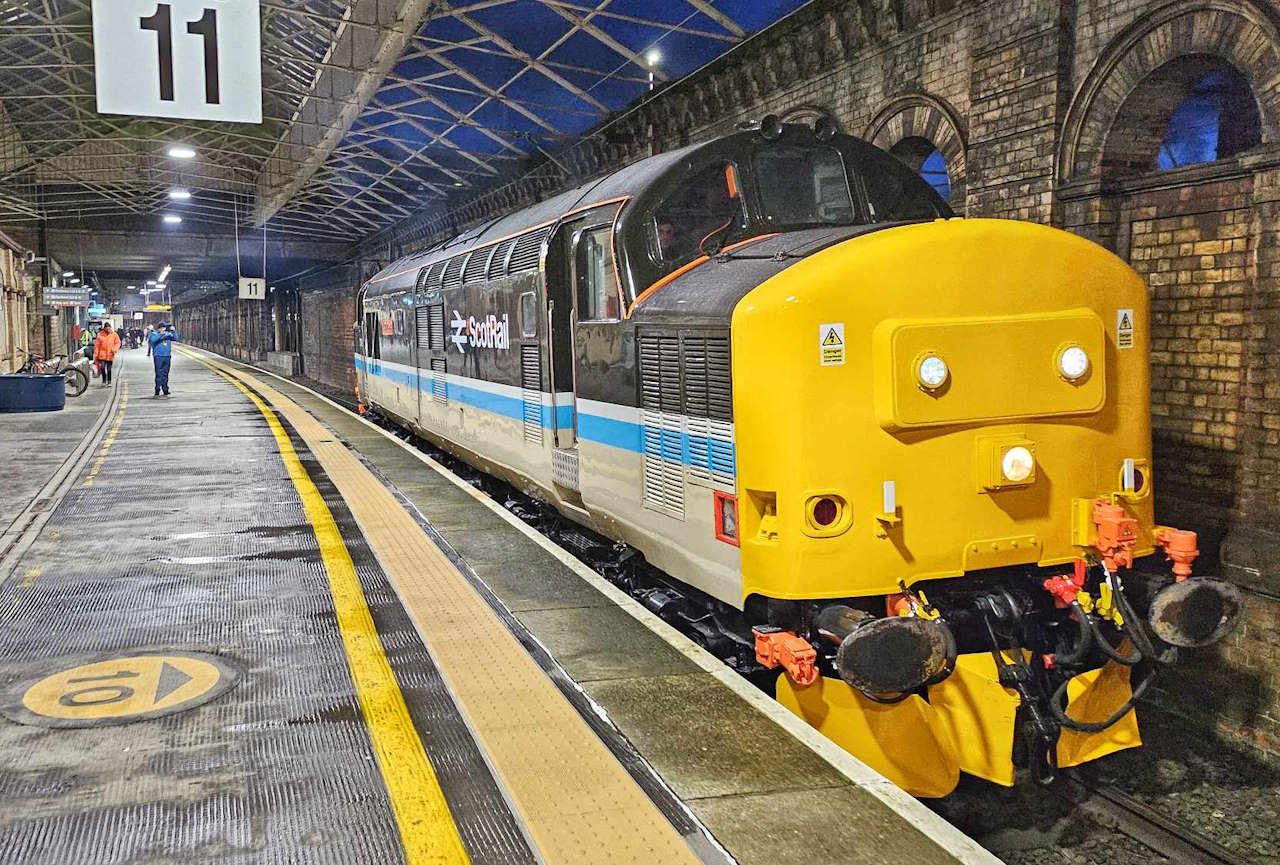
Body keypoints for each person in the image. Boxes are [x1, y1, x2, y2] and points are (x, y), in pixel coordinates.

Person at [148, 321, 179, 397]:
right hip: (158, 356)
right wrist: (160, 334)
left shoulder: (168, 335)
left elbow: (175, 338)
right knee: (159, 373)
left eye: (164, 328)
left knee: (165, 374)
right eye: (161, 328)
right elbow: (153, 340)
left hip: (167, 356)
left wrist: (173, 331)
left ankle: (165, 389)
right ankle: (157, 389)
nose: (163, 329)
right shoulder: (154, 334)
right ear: (158, 328)